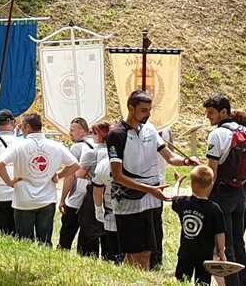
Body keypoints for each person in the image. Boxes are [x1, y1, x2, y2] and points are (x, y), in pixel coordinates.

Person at [108, 90, 198, 270]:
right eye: (143, 110)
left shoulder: (150, 129)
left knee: (149, 251)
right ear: (131, 108)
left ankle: (140, 278)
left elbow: (170, 157)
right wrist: (150, 189)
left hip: (153, 200)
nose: (148, 114)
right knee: (135, 252)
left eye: (149, 110)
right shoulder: (116, 134)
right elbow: (117, 176)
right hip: (129, 201)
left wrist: (187, 161)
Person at [0, 113, 80, 245]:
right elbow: (75, 165)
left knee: (24, 243)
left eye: (22, 126)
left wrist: (9, 182)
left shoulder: (18, 145)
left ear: (28, 127)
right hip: (47, 199)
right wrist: (58, 175)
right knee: (45, 242)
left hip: (24, 199)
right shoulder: (56, 145)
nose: (21, 129)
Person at [203, 94, 246, 286]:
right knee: (239, 242)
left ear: (224, 112)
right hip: (240, 192)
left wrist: (204, 198)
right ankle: (242, 281)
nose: (208, 116)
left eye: (211, 112)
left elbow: (212, 171)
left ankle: (232, 284)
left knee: (226, 245)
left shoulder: (217, 134)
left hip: (222, 194)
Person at [172, 166, 227, 285]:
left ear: (191, 184)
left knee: (181, 282)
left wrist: (178, 183)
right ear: (211, 185)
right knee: (203, 283)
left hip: (185, 253)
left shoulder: (183, 202)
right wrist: (221, 252)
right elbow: (220, 233)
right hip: (205, 256)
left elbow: (173, 197)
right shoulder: (214, 209)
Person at [86, 122, 122, 263]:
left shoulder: (104, 164)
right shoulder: (135, 160)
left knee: (111, 251)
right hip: (129, 212)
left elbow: (97, 190)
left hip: (112, 211)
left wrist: (98, 209)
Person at [59, 117, 94, 251]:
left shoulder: (77, 147)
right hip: (93, 195)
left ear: (82, 130)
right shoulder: (96, 144)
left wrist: (62, 199)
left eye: (72, 130)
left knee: (67, 233)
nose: (70, 133)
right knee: (87, 235)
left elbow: (70, 175)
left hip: (77, 197)